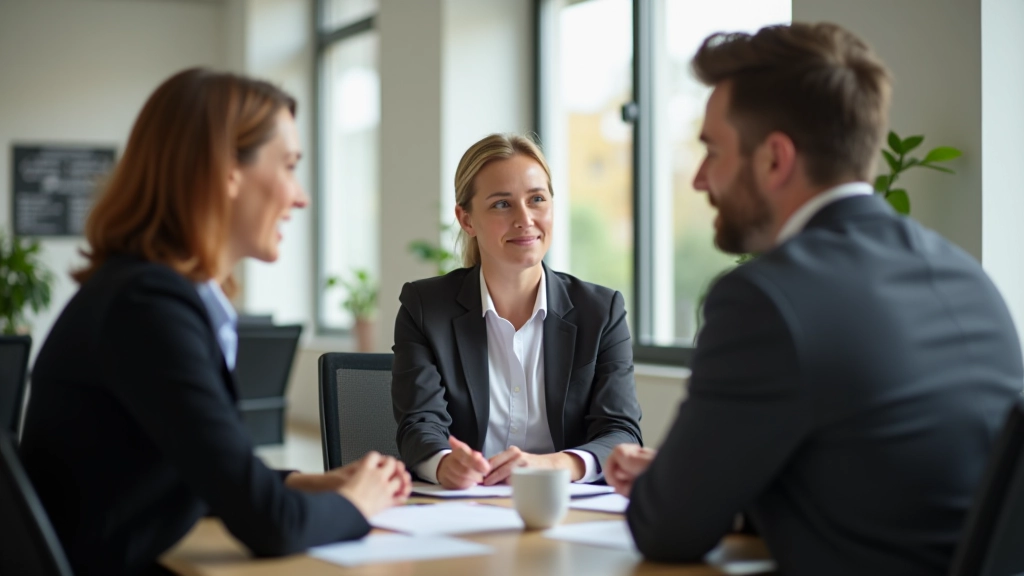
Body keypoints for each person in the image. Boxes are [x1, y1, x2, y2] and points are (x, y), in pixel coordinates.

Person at [605, 22, 1023, 575]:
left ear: (775, 160)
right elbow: (879, 483)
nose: (701, 180)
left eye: (713, 151)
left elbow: (667, 528)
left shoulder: (765, 299)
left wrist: (678, 483)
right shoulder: (968, 276)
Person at [18, 68, 411, 576]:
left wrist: (305, 482)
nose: (300, 196)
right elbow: (270, 525)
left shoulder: (142, 293)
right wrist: (359, 503)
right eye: (289, 166)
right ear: (227, 170)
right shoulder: (147, 306)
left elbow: (197, 471)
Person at [391, 133, 643, 489]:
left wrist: (554, 465)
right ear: (466, 220)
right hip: (466, 509)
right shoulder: (425, 308)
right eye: (501, 204)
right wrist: (445, 464)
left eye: (537, 199)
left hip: (566, 508)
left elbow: (622, 433)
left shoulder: (600, 312)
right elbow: (419, 424)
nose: (525, 219)